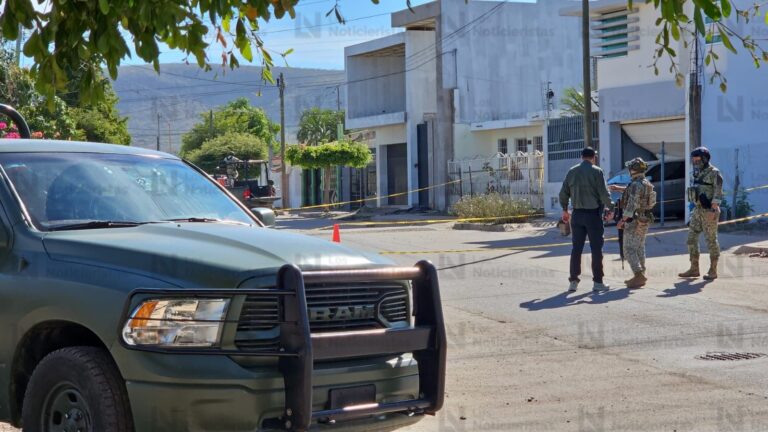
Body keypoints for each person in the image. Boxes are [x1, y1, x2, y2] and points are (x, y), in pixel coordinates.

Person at [559, 147, 614, 293]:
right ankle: (597, 282)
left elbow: (563, 193)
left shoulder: (572, 171)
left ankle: (573, 282)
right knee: (596, 249)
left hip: (576, 215)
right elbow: (603, 194)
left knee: (576, 249)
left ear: (581, 157)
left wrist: (565, 210)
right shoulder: (597, 171)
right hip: (593, 216)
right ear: (593, 157)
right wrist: (612, 208)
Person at [679, 147, 723, 280]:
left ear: (704, 158)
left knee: (711, 240)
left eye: (697, 158)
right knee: (691, 239)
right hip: (697, 210)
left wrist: (713, 209)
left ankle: (713, 270)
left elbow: (718, 191)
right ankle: (694, 268)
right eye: (693, 159)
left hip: (709, 210)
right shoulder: (696, 172)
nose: (694, 161)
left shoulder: (714, 172)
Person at [613, 158, 656, 288]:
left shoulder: (635, 185)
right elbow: (635, 194)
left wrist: (622, 220)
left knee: (628, 249)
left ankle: (638, 274)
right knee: (639, 247)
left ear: (633, 170)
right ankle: (641, 273)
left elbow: (631, 205)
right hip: (644, 218)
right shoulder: (645, 183)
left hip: (634, 220)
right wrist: (619, 189)